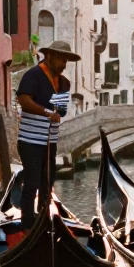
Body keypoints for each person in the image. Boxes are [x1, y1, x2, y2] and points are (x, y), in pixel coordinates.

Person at [15, 40, 78, 229]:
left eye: (65, 59)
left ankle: (43, 220)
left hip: (50, 140)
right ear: (48, 56)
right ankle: (27, 225)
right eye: (59, 58)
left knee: (47, 182)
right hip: (30, 140)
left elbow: (61, 110)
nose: (63, 63)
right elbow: (24, 100)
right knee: (32, 181)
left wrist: (57, 112)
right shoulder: (33, 75)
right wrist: (47, 113)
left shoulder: (64, 83)